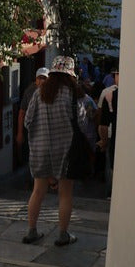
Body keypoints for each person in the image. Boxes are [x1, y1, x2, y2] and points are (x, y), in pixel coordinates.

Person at [22, 55, 88, 246]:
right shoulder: (72, 95)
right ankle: (63, 234)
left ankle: (32, 231)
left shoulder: (39, 93)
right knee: (65, 194)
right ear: (69, 75)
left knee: (37, 191)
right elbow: (82, 122)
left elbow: (27, 122)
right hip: (66, 151)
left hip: (40, 150)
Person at [97, 67, 119, 198]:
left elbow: (101, 118)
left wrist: (103, 140)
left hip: (111, 135)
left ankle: (110, 193)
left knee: (110, 165)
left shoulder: (108, 94)